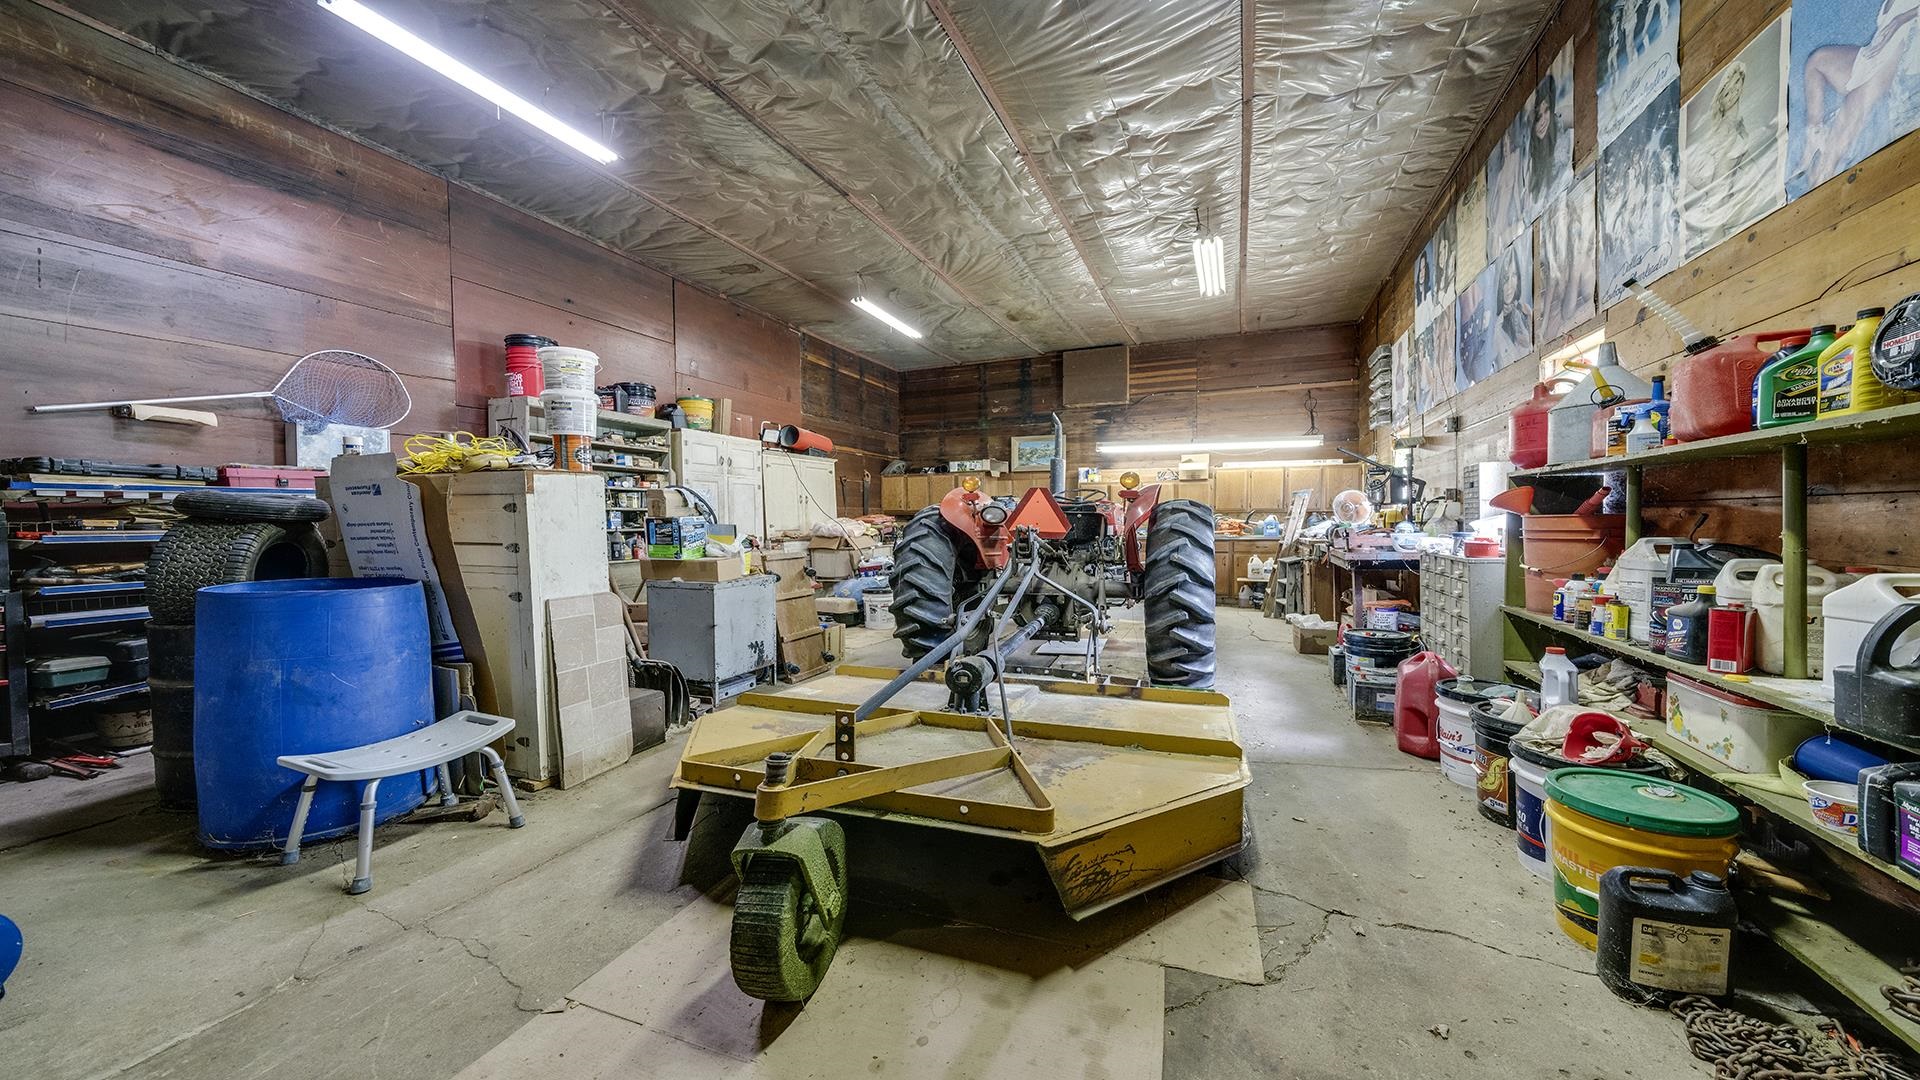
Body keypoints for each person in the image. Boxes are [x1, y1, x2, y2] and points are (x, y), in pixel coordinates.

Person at [1797, 0, 1920, 193]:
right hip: (1875, 54)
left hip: (1902, 50)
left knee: (1857, 99)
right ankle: (1815, 137)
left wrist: (1900, 19)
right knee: (1816, 61)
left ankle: (1823, 175)